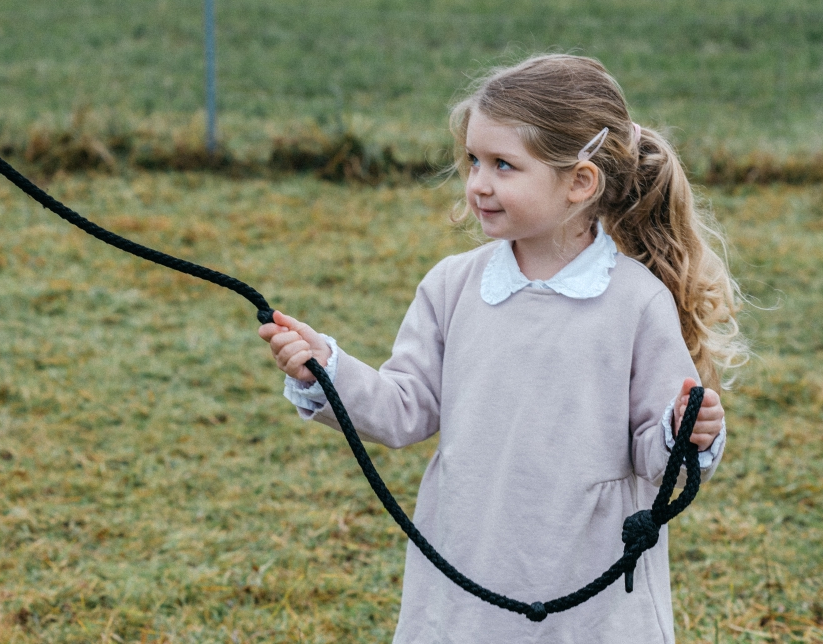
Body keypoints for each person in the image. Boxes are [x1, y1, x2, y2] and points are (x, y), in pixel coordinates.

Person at [261, 54, 745, 642]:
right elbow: (405, 407)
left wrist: (685, 430)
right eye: (472, 160)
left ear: (579, 182)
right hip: (469, 565)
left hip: (589, 582)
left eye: (503, 165)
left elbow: (657, 457)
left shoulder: (635, 303)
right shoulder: (451, 285)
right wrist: (326, 370)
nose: (477, 184)